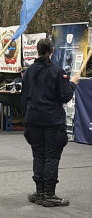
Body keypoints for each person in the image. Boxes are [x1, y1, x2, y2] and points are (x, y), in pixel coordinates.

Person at [21, 37, 80, 207]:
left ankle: (40, 191)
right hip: (52, 121)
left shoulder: (29, 71)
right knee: (52, 156)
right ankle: (49, 193)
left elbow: (24, 96)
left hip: (33, 119)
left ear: (37, 51)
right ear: (52, 51)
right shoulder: (57, 72)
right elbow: (64, 96)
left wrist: (28, 116)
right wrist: (72, 85)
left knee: (39, 155)